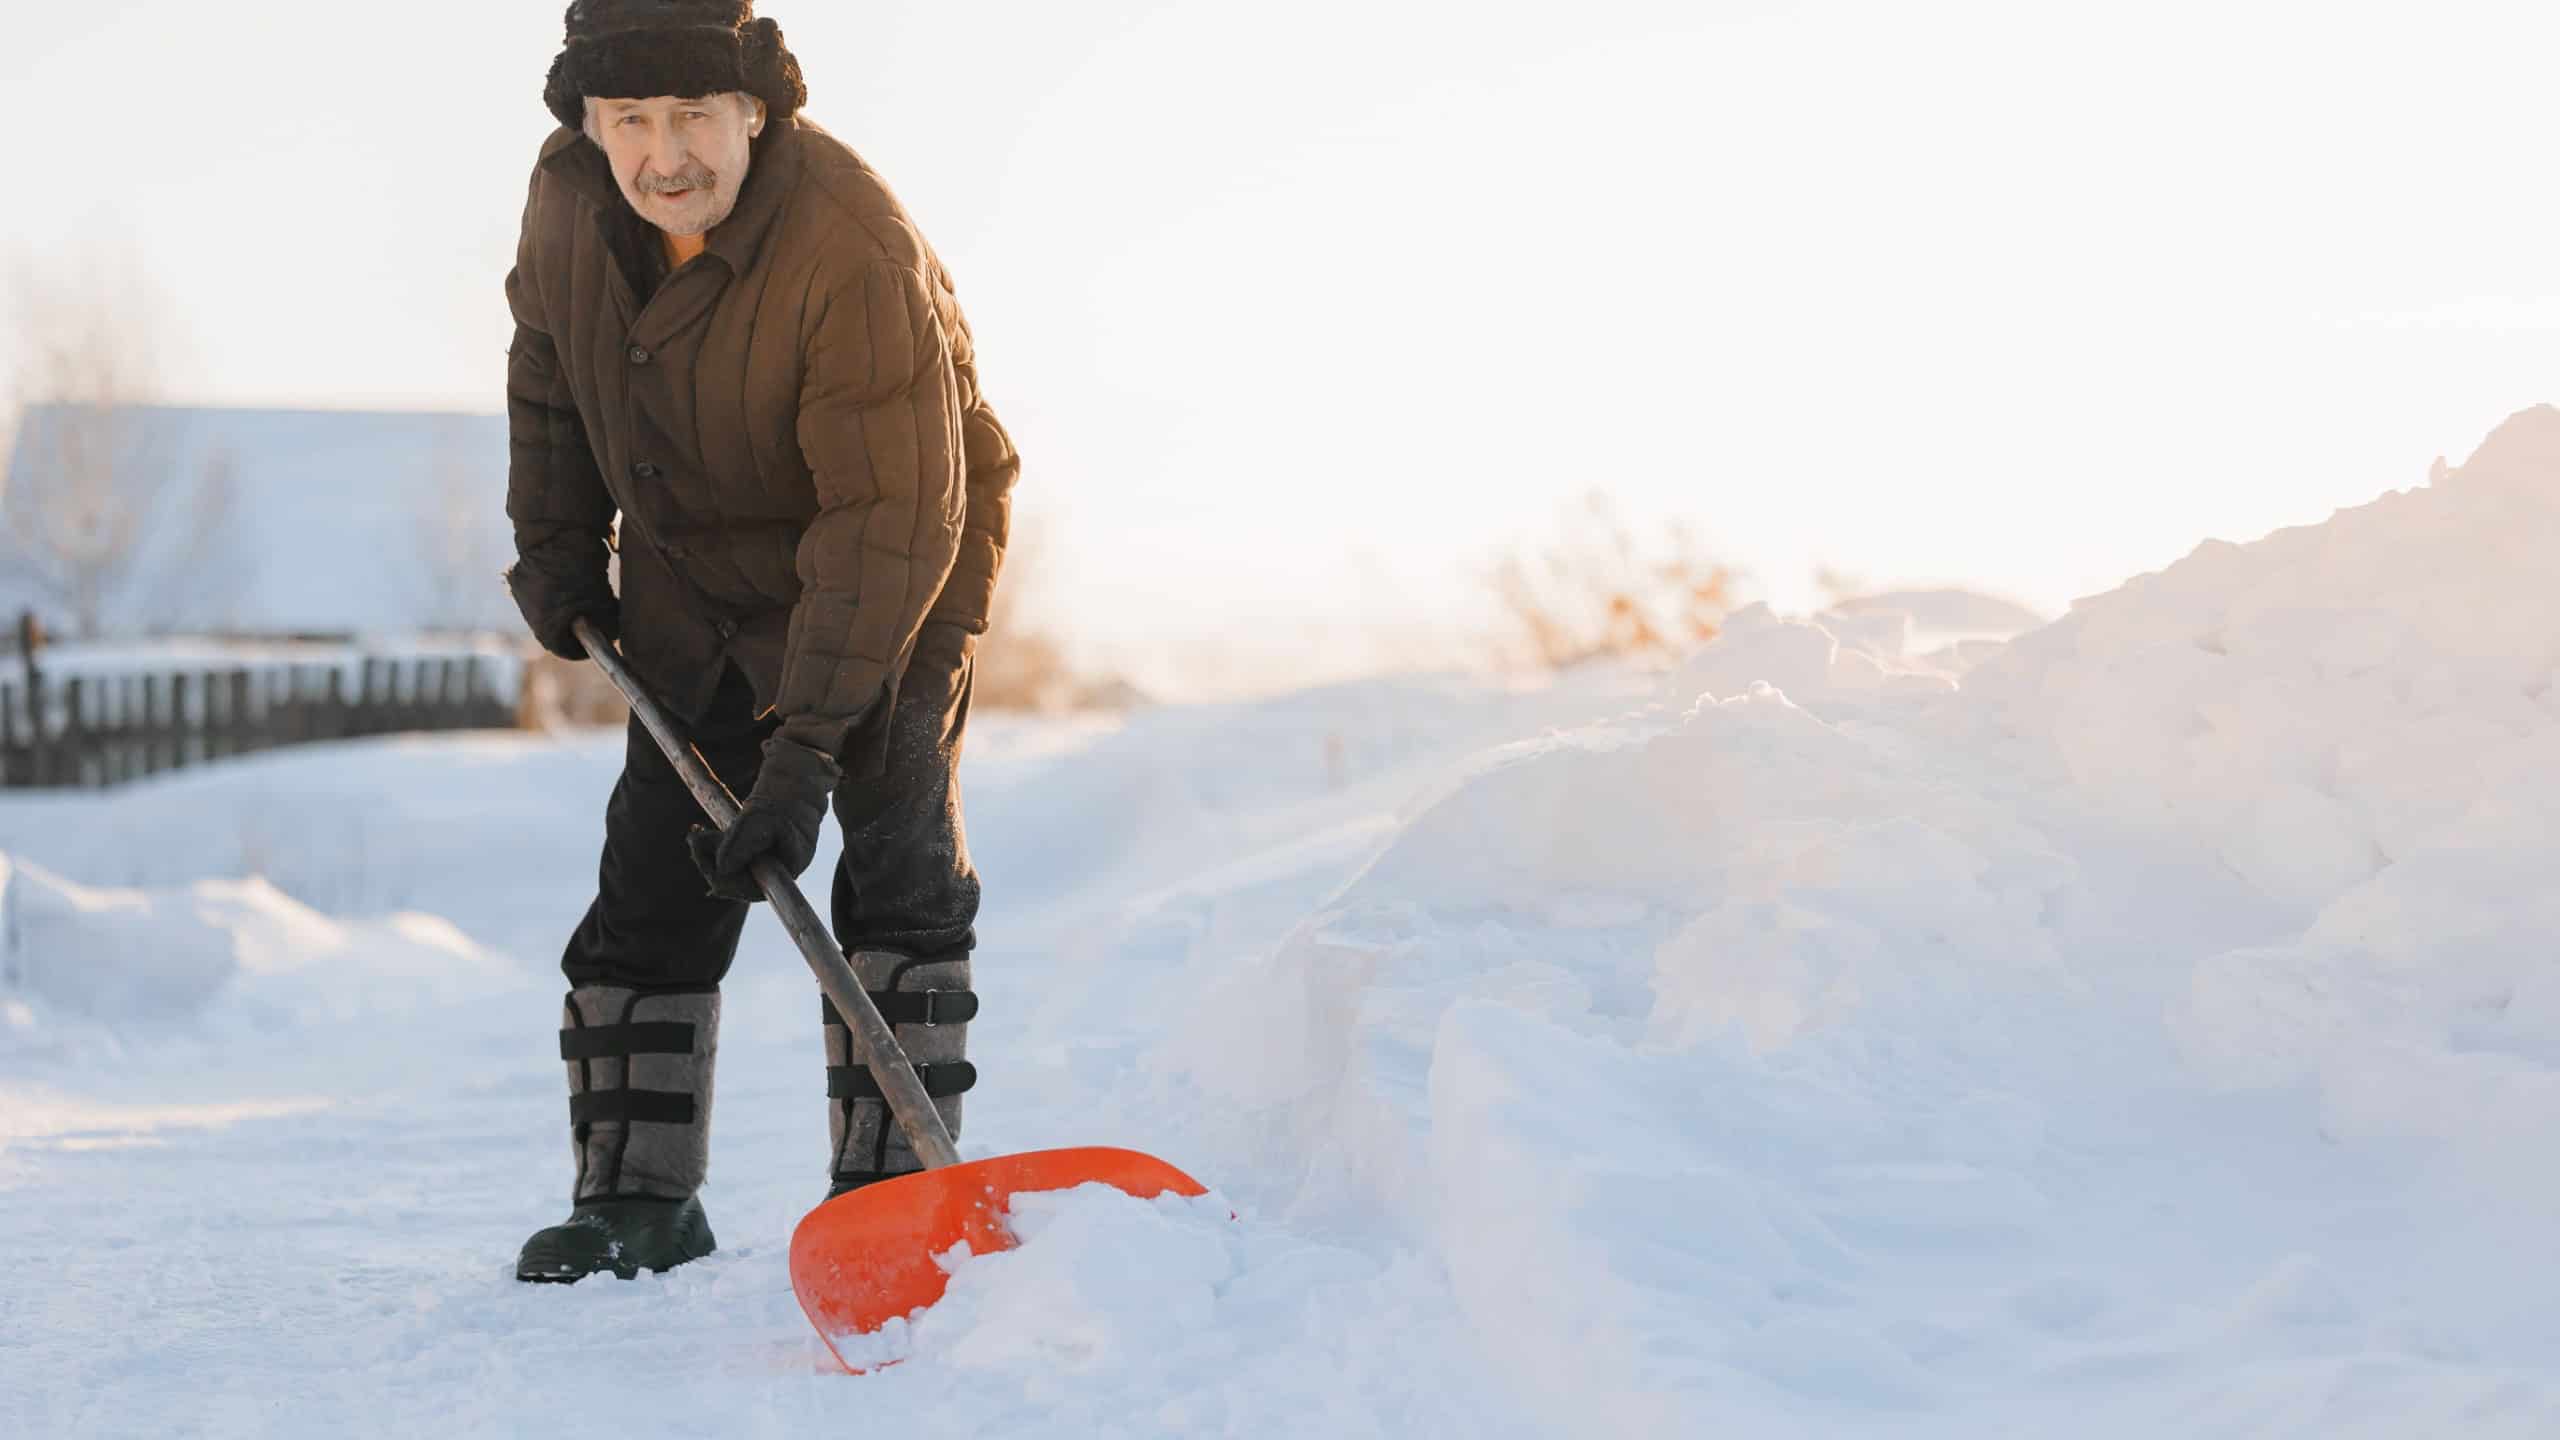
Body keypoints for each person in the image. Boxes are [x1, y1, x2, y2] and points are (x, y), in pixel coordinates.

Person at [500, 0, 1018, 1282]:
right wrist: (557, 538)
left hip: (891, 561)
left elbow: (888, 519)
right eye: (630, 120)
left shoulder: (851, 246)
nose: (663, 154)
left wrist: (804, 760)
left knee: (892, 861)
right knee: (653, 876)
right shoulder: (569, 200)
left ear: (756, 111)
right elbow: (549, 367)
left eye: (693, 118)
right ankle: (638, 1202)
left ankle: (891, 1202)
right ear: (587, 122)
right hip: (692, 568)